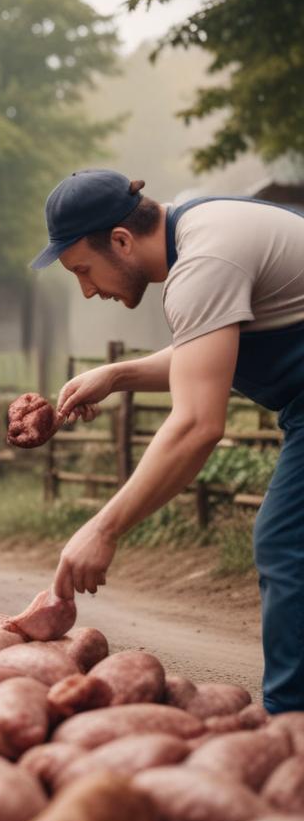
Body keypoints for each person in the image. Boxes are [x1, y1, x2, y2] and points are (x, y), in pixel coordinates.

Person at [31, 169, 304, 713]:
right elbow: (209, 350)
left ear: (122, 241)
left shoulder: (203, 263)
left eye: (85, 271)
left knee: (284, 545)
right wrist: (117, 375)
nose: (87, 290)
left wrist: (104, 528)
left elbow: (197, 424)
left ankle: (291, 725)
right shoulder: (198, 227)